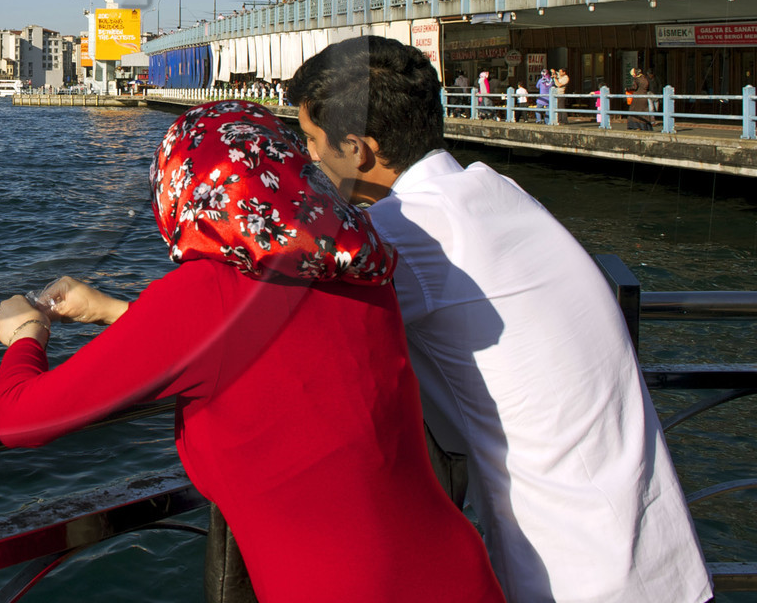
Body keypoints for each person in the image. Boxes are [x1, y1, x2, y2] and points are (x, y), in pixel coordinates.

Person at [0, 102, 504, 602]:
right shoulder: (355, 263)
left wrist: (26, 332)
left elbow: (24, 417)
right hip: (458, 570)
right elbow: (254, 348)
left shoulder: (207, 294)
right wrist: (114, 311)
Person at [286, 38, 710, 603]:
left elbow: (270, 340)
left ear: (359, 150)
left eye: (312, 143)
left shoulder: (407, 233)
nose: (309, 160)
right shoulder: (496, 190)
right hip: (659, 561)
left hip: (573, 576)